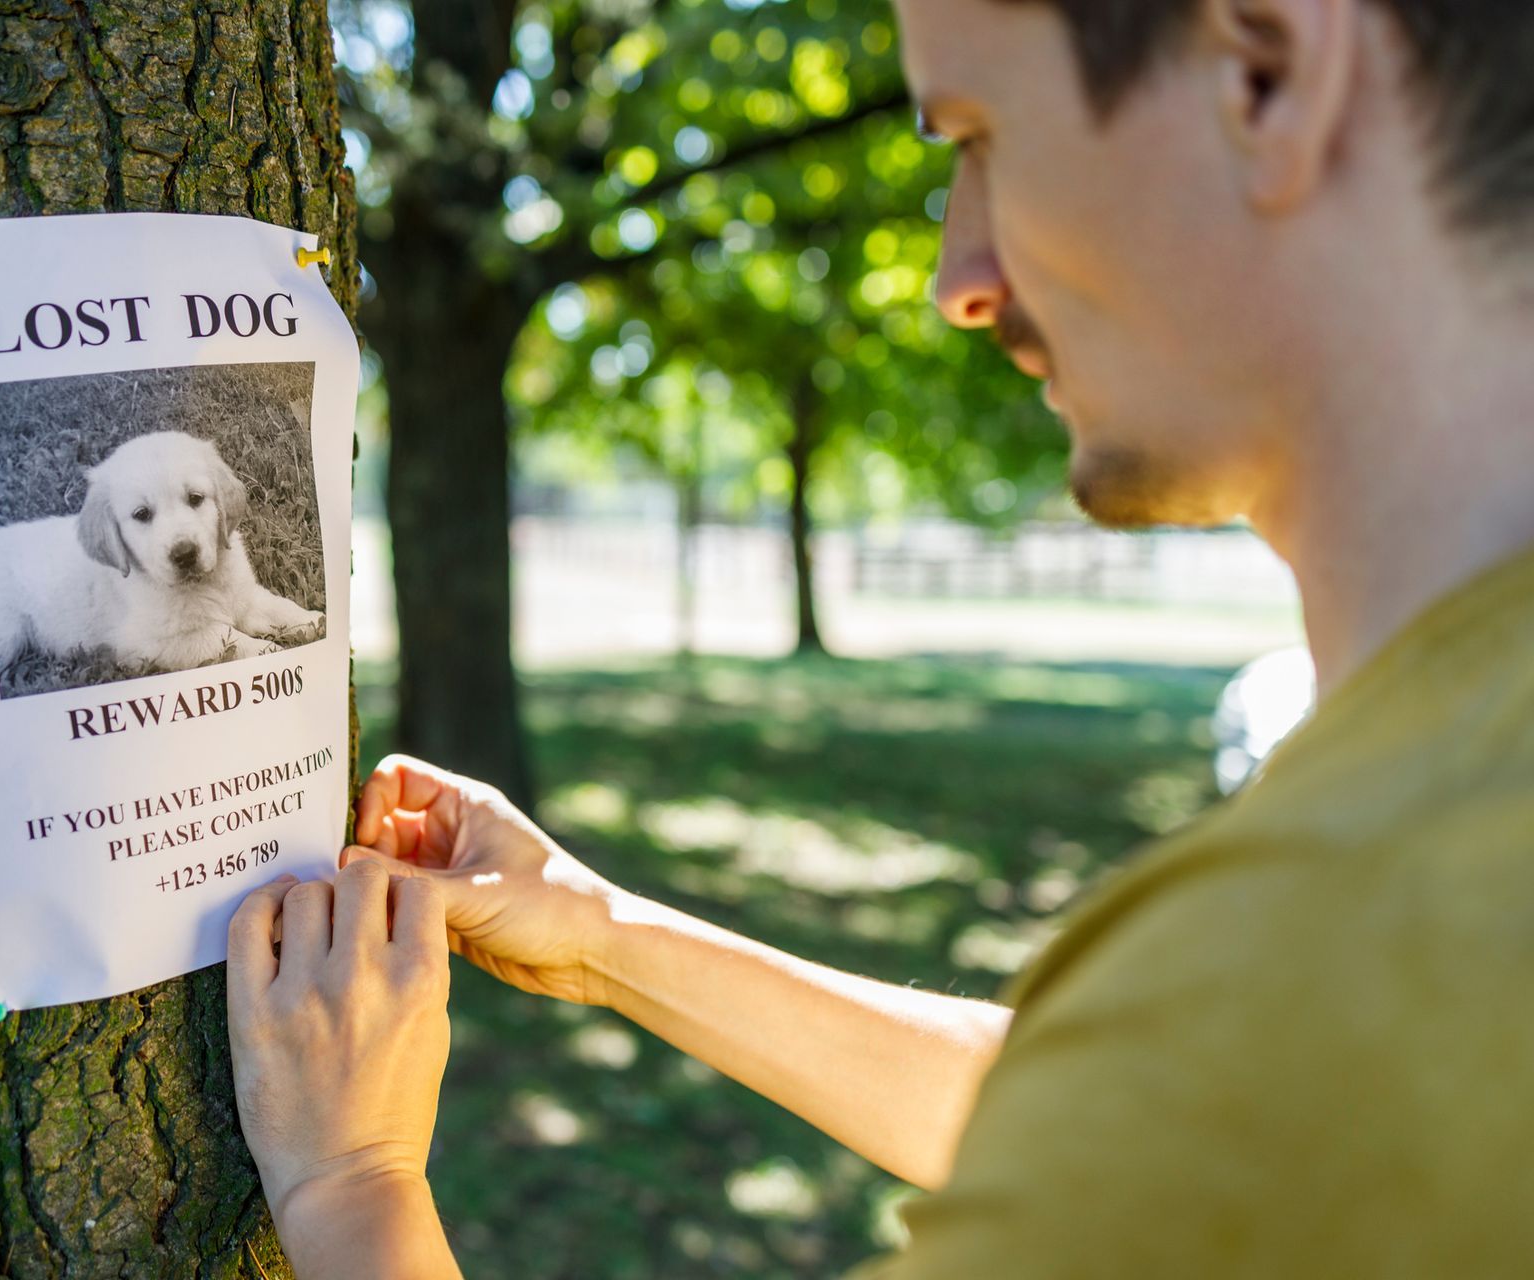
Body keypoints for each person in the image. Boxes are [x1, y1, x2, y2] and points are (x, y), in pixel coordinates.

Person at [224, 0, 1534, 1273]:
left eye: (982, 137)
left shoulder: (1373, 921)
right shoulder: (1431, 878)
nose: (961, 278)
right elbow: (1155, 1123)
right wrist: (607, 934)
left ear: (1264, 70)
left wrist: (354, 1190)